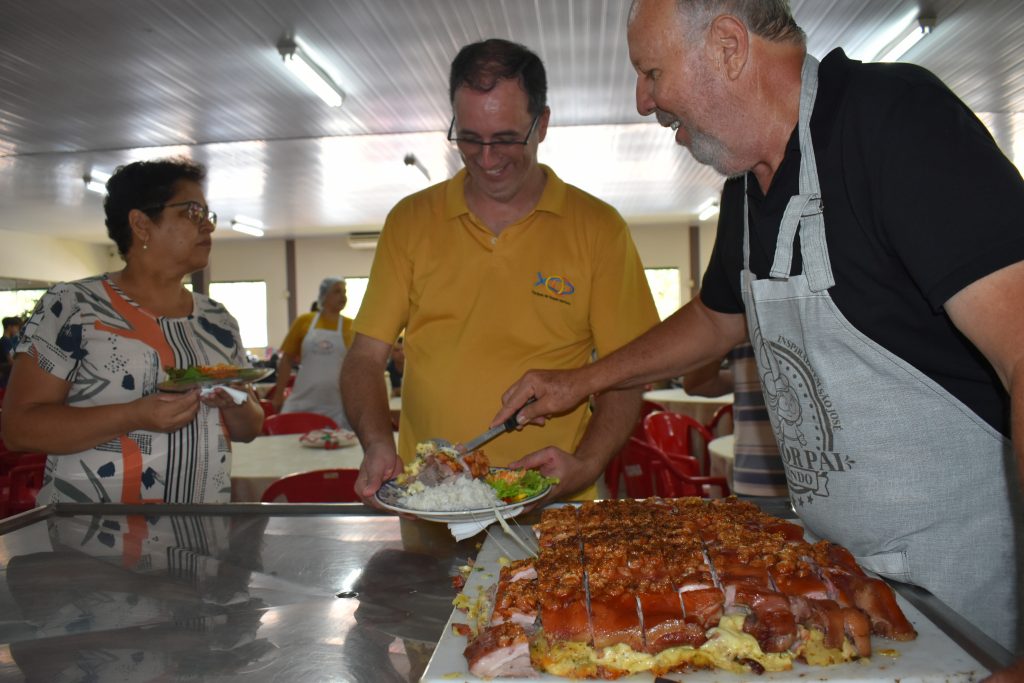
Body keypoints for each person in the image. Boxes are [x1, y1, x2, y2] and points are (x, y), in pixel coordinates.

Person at [495, 0, 1024, 671]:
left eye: (652, 72)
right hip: (837, 580)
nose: (642, 100)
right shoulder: (746, 192)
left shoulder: (895, 120)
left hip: (963, 595)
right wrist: (582, 381)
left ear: (727, 46)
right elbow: (716, 320)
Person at [341, 38, 659, 504]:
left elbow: (626, 375)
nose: (487, 159)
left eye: (506, 138)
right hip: (433, 505)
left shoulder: (599, 229)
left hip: (553, 508)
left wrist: (587, 465)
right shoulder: (410, 222)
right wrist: (375, 442)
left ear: (541, 124)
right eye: (470, 138)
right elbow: (365, 358)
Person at [0, 158, 264, 504]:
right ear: (141, 224)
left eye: (208, 214)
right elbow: (18, 429)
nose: (208, 226)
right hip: (93, 529)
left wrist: (235, 402)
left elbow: (249, 429)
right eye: (193, 212)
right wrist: (134, 415)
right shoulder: (73, 306)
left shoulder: (218, 320)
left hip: (201, 527)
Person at [684, 341, 788, 497]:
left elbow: (696, 384)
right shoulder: (735, 326)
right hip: (759, 473)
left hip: (758, 472)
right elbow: (697, 384)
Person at [271, 277, 354, 428]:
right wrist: (278, 394)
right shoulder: (304, 321)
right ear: (324, 295)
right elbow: (287, 360)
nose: (343, 296)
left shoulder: (351, 326)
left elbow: (355, 368)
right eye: (337, 292)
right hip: (302, 400)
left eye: (345, 292)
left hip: (336, 403)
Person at [0, 315, 22, 388]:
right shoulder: (5, 341)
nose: (17, 330)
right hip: (5, 381)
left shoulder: (6, 341)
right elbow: (11, 361)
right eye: (16, 327)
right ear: (10, 327)